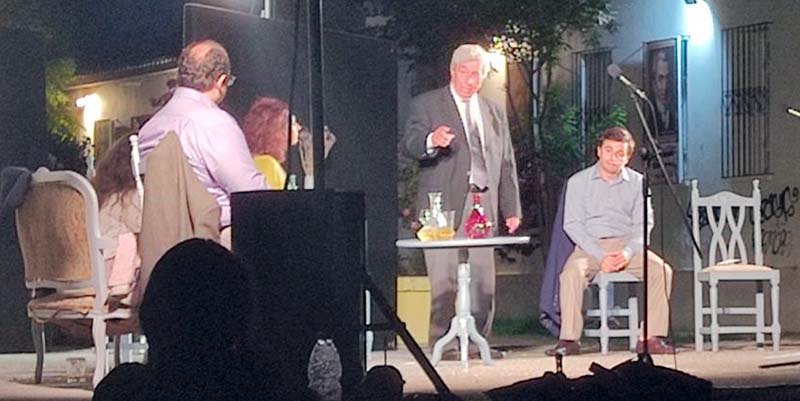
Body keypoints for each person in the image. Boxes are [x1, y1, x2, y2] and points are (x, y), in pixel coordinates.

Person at [402, 44, 522, 359]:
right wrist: (432, 140)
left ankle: (480, 340)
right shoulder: (427, 104)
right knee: (444, 280)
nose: (471, 80)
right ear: (452, 72)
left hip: (483, 202)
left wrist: (511, 207)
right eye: (465, 73)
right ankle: (443, 342)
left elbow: (506, 161)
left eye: (477, 74)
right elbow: (411, 143)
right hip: (442, 205)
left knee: (484, 282)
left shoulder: (493, 110)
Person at [545, 127, 674, 356]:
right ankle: (569, 339)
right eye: (608, 151)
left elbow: (644, 225)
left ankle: (650, 337)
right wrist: (599, 255)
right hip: (590, 246)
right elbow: (572, 225)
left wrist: (626, 253)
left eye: (620, 153)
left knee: (661, 271)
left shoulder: (638, 182)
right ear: (599, 151)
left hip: (627, 245)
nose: (613, 158)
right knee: (571, 274)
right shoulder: (578, 182)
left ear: (628, 157)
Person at [137, 39, 268, 248]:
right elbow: (252, 195)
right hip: (212, 242)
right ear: (221, 80)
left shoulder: (149, 129)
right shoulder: (215, 123)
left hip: (160, 245)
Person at [92, 136, 142, 306]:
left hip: (96, 270)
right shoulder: (131, 198)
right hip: (116, 276)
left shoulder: (102, 197)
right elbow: (143, 227)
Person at [241, 96, 302, 189]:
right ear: (277, 129)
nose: (299, 127)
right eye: (293, 122)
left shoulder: (262, 161)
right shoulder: (267, 163)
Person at [649, 49, 676, 134]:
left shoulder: (676, 111)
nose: (665, 86)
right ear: (653, 81)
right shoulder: (649, 111)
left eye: (668, 78)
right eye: (660, 79)